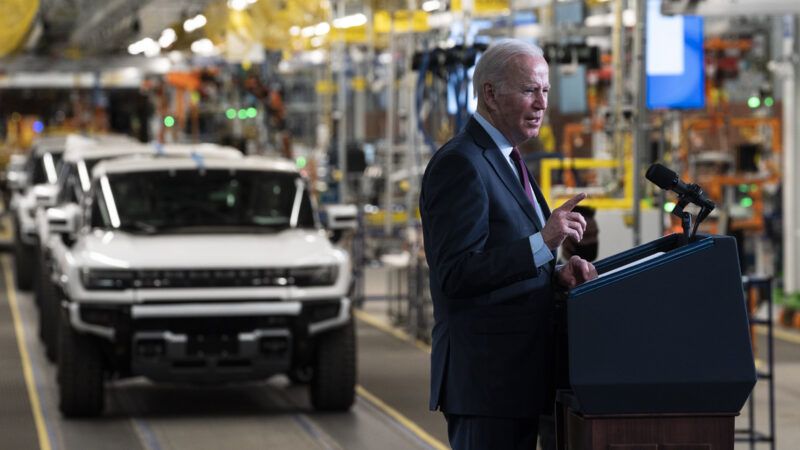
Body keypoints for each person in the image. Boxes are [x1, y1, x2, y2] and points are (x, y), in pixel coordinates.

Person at [419, 39, 598, 450]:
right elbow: (457, 273)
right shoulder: (461, 163)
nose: (541, 104)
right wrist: (544, 241)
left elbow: (507, 258)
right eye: (529, 90)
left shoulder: (508, 159)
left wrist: (556, 273)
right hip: (487, 383)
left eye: (546, 91)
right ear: (490, 94)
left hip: (519, 379)